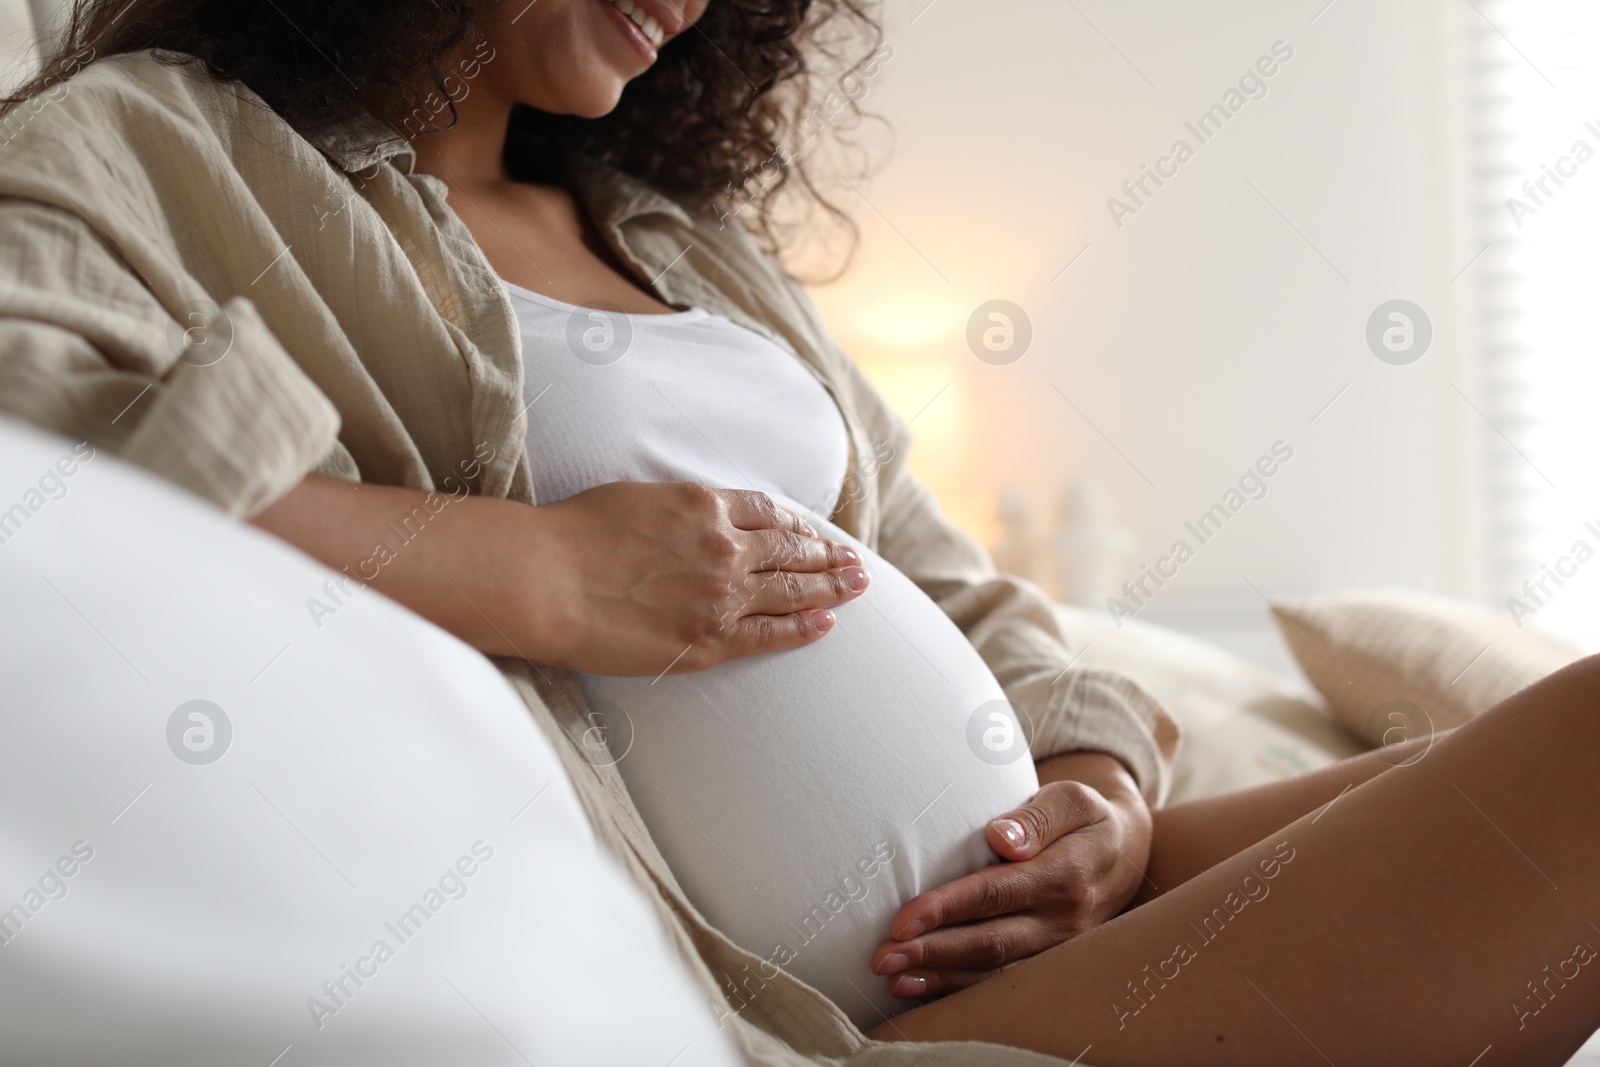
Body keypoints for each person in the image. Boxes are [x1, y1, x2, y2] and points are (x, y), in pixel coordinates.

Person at [0, 2, 1593, 1064]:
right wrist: (538, 575)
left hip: (1071, 915)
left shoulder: (685, 244)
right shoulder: (166, 148)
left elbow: (982, 601)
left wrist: (1091, 792)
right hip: (860, 1023)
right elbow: (38, 445)